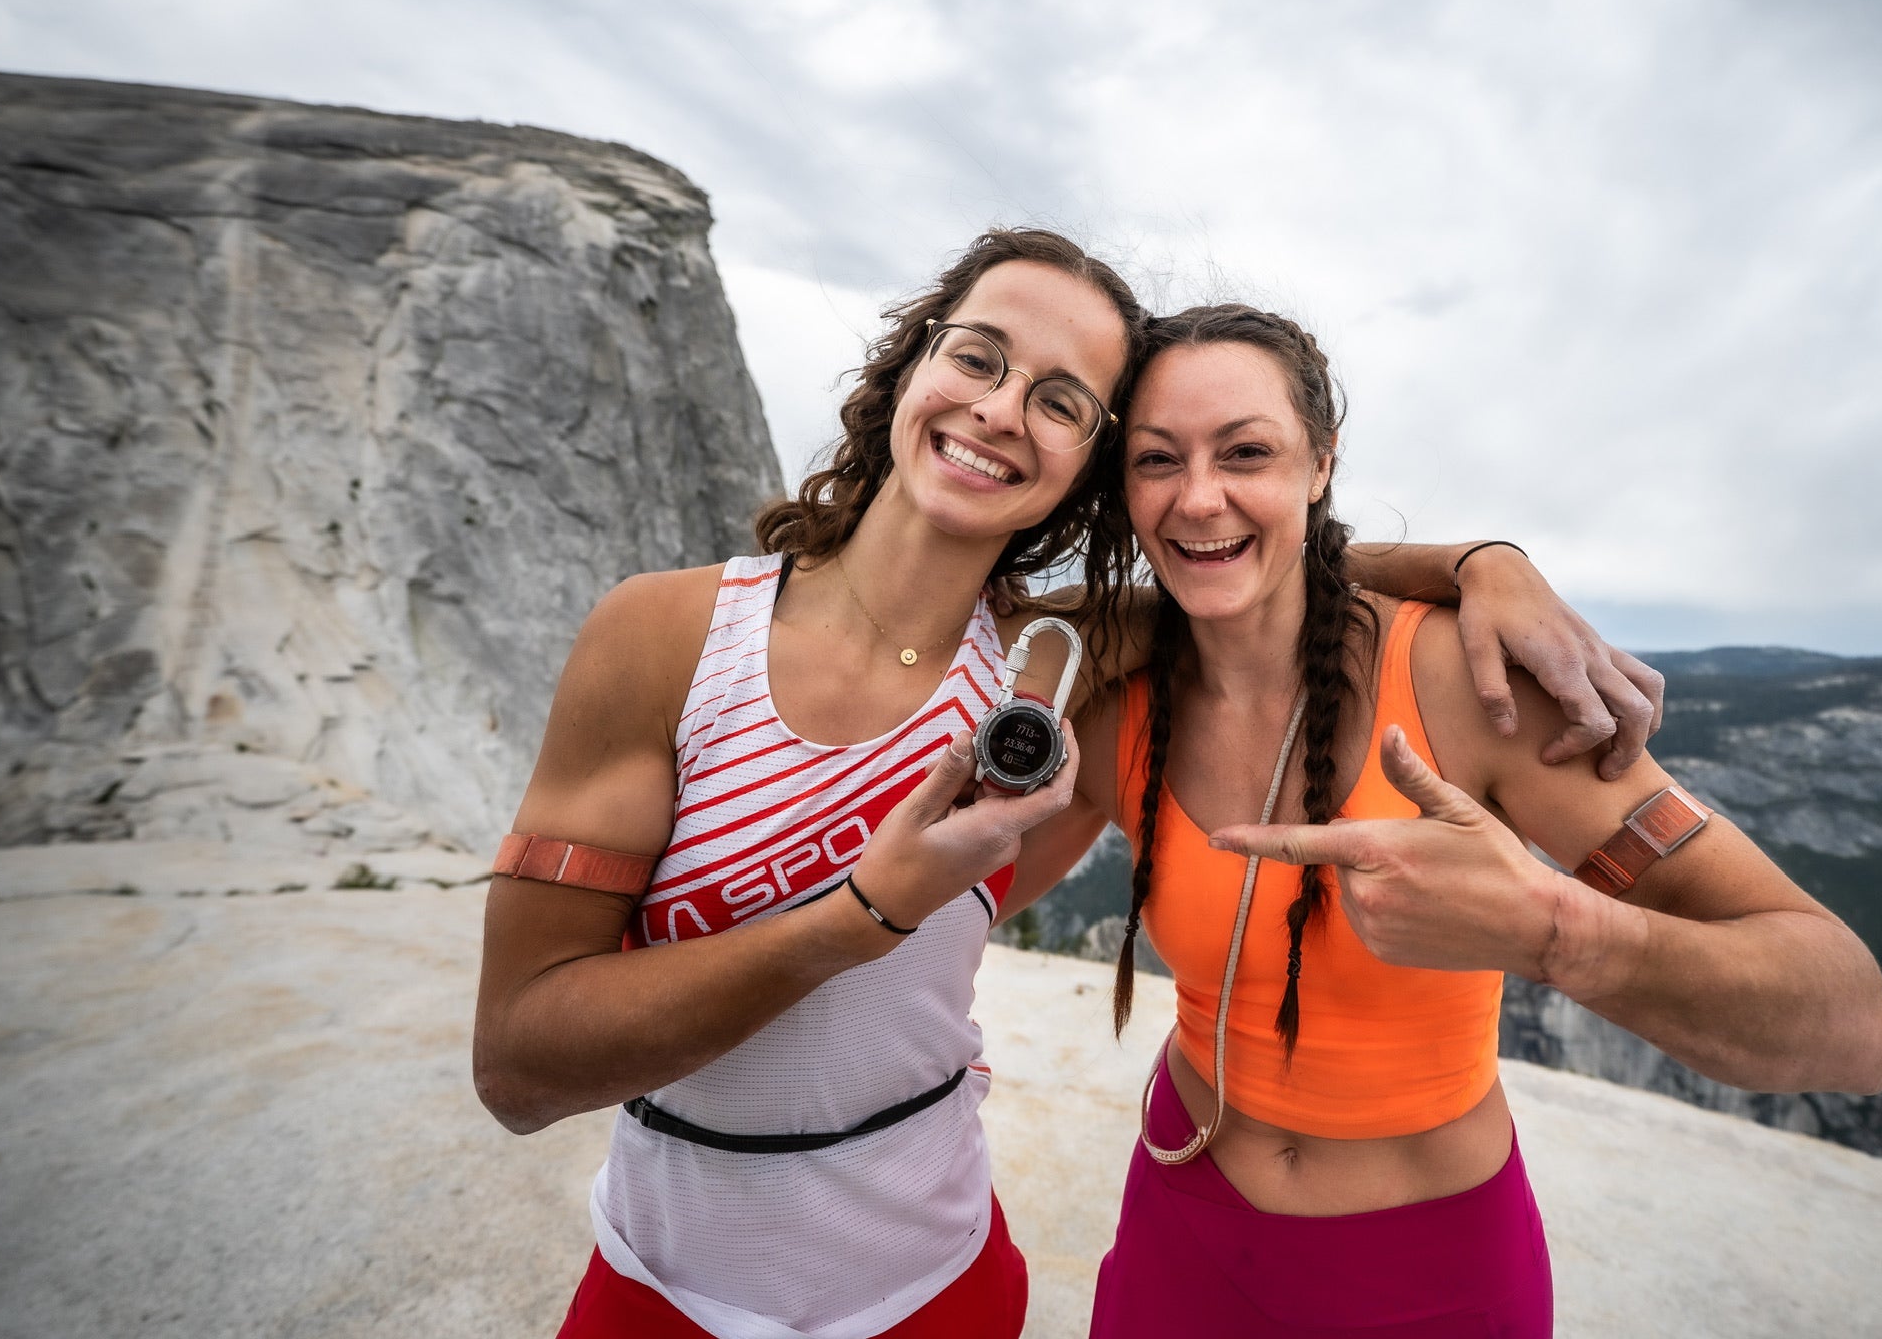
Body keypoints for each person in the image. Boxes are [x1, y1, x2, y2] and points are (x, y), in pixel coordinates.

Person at [472, 230, 1663, 1339]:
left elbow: (1265, 564)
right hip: (656, 1275)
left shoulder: (1061, 667)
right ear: (909, 368)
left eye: (1059, 402)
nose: (998, 412)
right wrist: (859, 917)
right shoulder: (669, 635)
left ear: (1088, 472)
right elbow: (519, 1070)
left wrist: (1483, 563)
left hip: (938, 1283)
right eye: (976, 358)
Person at [1020, 304, 1882, 1338]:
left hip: (1426, 1275)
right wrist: (1471, 554)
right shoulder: (1118, 697)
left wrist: (1556, 932)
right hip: (1182, 1221)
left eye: (1247, 452)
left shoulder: (1467, 684)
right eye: (1157, 460)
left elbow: (1860, 1029)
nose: (1198, 496)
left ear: (1320, 464)